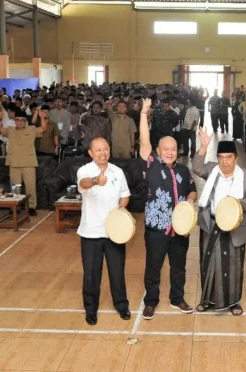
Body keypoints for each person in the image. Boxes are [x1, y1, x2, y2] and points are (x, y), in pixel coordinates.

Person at [138, 98, 198, 320]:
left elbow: (192, 190)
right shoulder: (151, 164)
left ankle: (177, 298)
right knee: (153, 267)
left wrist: (190, 201)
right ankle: (150, 301)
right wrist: (144, 114)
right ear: (157, 150)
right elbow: (144, 139)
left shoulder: (183, 169)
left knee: (179, 266)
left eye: (173, 149)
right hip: (156, 228)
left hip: (180, 228)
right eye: (166, 149)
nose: (171, 152)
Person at [192, 134, 246, 315]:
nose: (225, 162)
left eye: (229, 157)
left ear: (236, 158)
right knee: (208, 262)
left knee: (234, 265)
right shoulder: (212, 170)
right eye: (221, 158)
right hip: (211, 224)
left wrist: (235, 206)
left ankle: (233, 302)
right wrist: (203, 147)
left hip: (235, 225)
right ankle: (206, 299)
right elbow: (196, 167)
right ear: (217, 159)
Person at [77, 137, 132, 326]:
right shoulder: (84, 171)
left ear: (110, 150)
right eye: (98, 150)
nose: (103, 153)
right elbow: (83, 184)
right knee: (91, 273)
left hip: (114, 232)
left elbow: (125, 195)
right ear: (91, 153)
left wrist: (122, 208)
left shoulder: (118, 171)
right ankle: (91, 310)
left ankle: (121, 305)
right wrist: (95, 180)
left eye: (106, 149)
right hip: (90, 233)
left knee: (117, 271)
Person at [0, 108, 48, 217]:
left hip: (29, 162)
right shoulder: (10, 130)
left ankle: (32, 207)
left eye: (22, 120)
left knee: (30, 186)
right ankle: (15, 206)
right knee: (15, 187)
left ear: (25, 121)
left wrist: (42, 117)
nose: (19, 122)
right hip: (14, 162)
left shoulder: (31, 129)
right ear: (15, 121)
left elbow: (43, 128)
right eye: (17, 120)